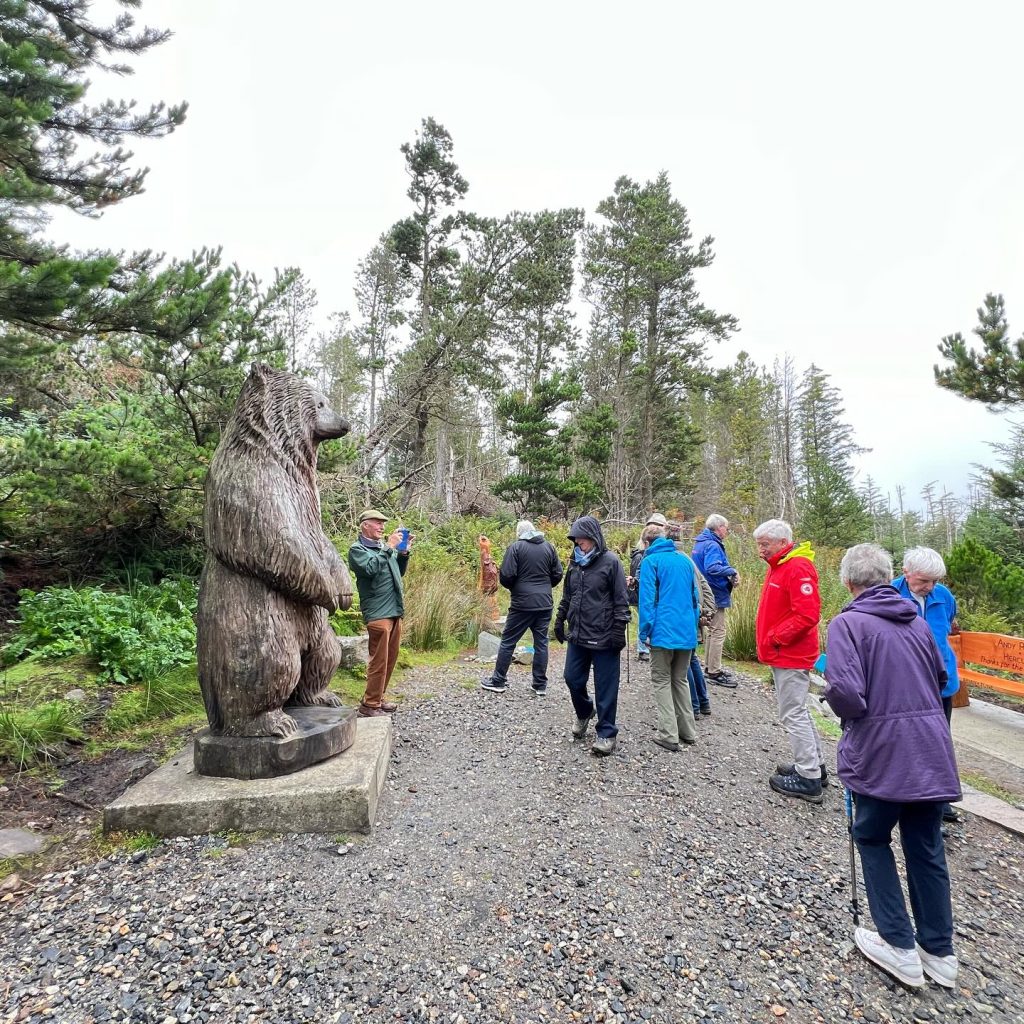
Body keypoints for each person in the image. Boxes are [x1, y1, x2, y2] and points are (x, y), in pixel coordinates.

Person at [824, 543, 961, 990]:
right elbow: (941, 679)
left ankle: (898, 943)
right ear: (888, 578)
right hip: (931, 747)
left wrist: (838, 708)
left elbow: (846, 692)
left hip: (882, 749)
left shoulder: (847, 623)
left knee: (870, 834)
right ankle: (940, 951)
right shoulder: (918, 621)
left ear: (848, 582)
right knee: (925, 846)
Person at [754, 519, 825, 802]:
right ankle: (814, 766)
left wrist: (775, 638)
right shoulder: (782, 566)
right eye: (759, 545)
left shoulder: (796, 567)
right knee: (798, 711)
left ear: (783, 543)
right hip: (785, 653)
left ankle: (808, 777)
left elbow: (808, 614)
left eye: (765, 545)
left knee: (793, 713)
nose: (760, 550)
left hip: (791, 654)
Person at [892, 547, 962, 825]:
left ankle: (939, 801)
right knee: (911, 740)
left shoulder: (944, 597)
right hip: (908, 685)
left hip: (941, 683)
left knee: (940, 741)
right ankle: (912, 797)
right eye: (923, 581)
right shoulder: (891, 595)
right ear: (905, 572)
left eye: (934, 581)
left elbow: (948, 628)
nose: (929, 587)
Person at [554, 515, 630, 756]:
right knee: (572, 678)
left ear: (594, 539)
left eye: (583, 541)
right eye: (576, 542)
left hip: (605, 635)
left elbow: (621, 600)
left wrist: (619, 630)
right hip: (577, 633)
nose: (579, 545)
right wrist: (560, 618)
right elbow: (568, 595)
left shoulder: (611, 562)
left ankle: (606, 733)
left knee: (606, 686)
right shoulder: (575, 563)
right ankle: (585, 711)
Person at [481, 520, 564, 696]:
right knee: (541, 642)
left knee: (509, 640)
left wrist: (516, 588)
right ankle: (540, 685)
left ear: (519, 533)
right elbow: (558, 573)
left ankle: (498, 681)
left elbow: (507, 575)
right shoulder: (549, 547)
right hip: (544, 603)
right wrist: (545, 587)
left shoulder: (516, 547)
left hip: (522, 604)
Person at [638, 524, 702, 751]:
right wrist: (694, 627)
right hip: (686, 631)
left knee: (661, 680)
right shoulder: (684, 560)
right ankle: (688, 731)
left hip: (663, 632)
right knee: (680, 679)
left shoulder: (650, 562)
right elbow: (696, 598)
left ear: (646, 543)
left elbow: (646, 601)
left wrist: (644, 633)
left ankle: (668, 733)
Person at [348, 510, 412, 718]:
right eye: (377, 523)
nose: (382, 527)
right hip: (378, 613)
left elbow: (398, 572)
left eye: (383, 523)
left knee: (390, 658)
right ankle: (369, 705)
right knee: (378, 660)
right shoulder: (357, 550)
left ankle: (377, 698)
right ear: (365, 525)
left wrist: (403, 553)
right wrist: (390, 547)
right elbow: (370, 569)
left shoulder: (383, 549)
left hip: (394, 610)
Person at [692, 514, 740, 687]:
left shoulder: (700, 542)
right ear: (719, 528)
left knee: (712, 631)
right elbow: (712, 568)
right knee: (718, 631)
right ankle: (714, 671)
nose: (727, 531)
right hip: (714, 593)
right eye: (726, 528)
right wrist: (732, 571)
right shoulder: (712, 544)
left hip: (703, 591)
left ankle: (709, 667)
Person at [627, 519, 666, 662]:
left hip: (655, 599)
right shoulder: (645, 556)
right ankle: (643, 648)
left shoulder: (651, 557)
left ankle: (644, 646)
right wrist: (635, 581)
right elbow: (639, 571)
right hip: (650, 597)